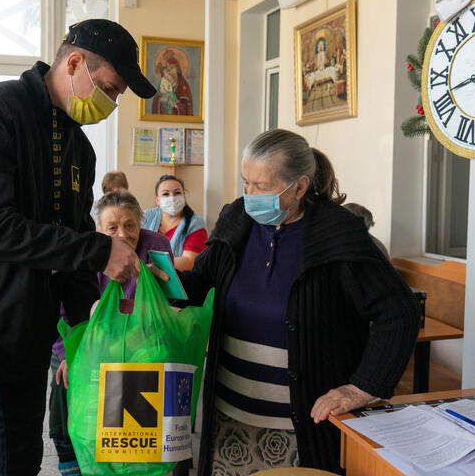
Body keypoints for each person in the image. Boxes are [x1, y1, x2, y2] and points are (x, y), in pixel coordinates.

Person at [0, 19, 157, 475]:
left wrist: (90, 329)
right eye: (111, 90)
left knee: (20, 463)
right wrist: (99, 251)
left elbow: (71, 245)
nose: (112, 104)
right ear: (74, 63)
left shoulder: (79, 148)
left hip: (23, 332)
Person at [158, 129, 420, 474]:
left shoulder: (339, 237)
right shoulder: (237, 220)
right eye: (245, 182)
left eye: (262, 186)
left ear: (299, 186)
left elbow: (400, 313)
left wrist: (362, 387)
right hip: (230, 418)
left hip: (302, 429)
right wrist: (158, 279)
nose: (250, 195)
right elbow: (203, 282)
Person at [49, 190, 172, 476]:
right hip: (86, 338)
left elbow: (166, 302)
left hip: (137, 345)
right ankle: (72, 461)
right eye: (112, 227)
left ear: (141, 224)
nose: (122, 234)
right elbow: (63, 312)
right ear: (98, 230)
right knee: (65, 381)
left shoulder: (157, 245)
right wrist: (71, 355)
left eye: (130, 225)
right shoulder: (89, 249)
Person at [143, 175, 207, 271]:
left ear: (184, 197)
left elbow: (189, 262)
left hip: (180, 280)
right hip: (146, 279)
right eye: (165, 194)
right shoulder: (146, 217)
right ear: (157, 200)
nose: (172, 197)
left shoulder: (195, 225)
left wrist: (149, 267)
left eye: (177, 193)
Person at [151, 50, 193, 116]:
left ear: (178, 69)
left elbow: (187, 106)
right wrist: (162, 100)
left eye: (173, 68)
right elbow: (156, 100)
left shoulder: (183, 85)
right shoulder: (164, 82)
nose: (171, 72)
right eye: (169, 70)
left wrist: (175, 104)